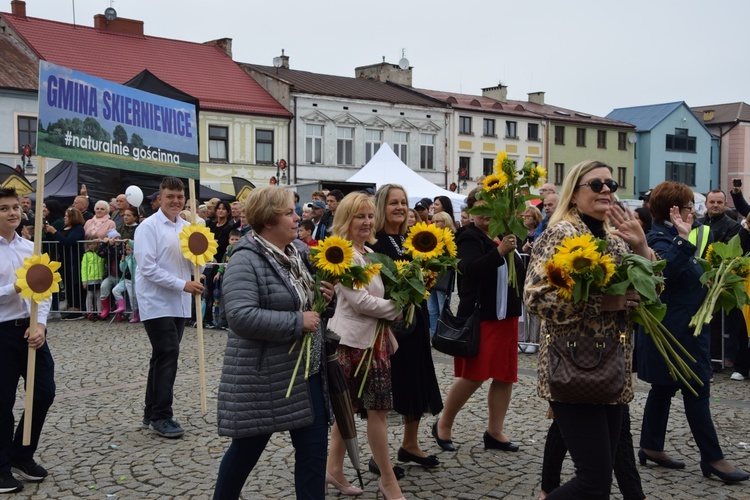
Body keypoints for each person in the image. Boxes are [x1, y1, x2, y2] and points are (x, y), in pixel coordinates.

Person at [524, 160, 654, 499]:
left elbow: (650, 294)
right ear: (575, 192)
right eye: (596, 184)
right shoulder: (562, 233)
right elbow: (536, 298)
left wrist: (641, 248)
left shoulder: (614, 237)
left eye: (610, 183)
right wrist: (601, 303)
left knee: (601, 479)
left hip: (611, 368)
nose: (606, 189)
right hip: (575, 366)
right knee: (594, 481)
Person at [213, 186, 334, 499]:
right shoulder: (245, 259)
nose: (298, 218)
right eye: (289, 213)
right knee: (246, 450)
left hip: (307, 371)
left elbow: (308, 303)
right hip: (265, 376)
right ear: (268, 220)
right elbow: (239, 316)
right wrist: (297, 322)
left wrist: (324, 300)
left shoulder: (297, 253)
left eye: (295, 211)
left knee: (313, 453)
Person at [637, 181, 749, 483]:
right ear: (674, 210)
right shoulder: (660, 238)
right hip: (678, 334)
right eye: (689, 206)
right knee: (698, 390)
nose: (693, 211)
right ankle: (713, 458)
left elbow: (684, 275)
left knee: (662, 389)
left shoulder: (672, 236)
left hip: (682, 328)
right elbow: (663, 273)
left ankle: (650, 446)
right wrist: (684, 241)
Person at [434, 187, 525, 458]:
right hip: (482, 317)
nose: (487, 214)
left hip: (505, 316)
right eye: (481, 209)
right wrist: (499, 252)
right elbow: (469, 269)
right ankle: (443, 424)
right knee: (474, 376)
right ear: (471, 211)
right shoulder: (469, 236)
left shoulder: (500, 233)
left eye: (491, 209)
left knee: (505, 376)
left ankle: (494, 431)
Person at [326, 192, 404, 500]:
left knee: (354, 410)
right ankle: (387, 479)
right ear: (346, 219)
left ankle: (333, 469)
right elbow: (360, 302)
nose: (367, 222)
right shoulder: (342, 253)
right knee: (375, 413)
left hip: (373, 342)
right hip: (353, 344)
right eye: (360, 216)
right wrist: (399, 306)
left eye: (370, 216)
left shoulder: (368, 252)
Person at [369, 185, 443, 475]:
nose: (399, 208)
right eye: (393, 203)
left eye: (403, 203)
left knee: (416, 382)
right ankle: (380, 456)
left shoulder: (410, 239)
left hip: (415, 320)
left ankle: (410, 444)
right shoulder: (376, 243)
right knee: (388, 391)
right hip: (390, 324)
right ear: (381, 207)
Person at [134, 177, 204, 439]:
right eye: (170, 196)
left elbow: (198, 262)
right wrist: (182, 284)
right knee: (168, 354)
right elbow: (148, 267)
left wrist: (200, 268)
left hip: (180, 302)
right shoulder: (148, 227)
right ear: (159, 199)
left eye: (179, 196)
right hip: (157, 300)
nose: (175, 201)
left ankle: (151, 411)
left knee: (161, 356)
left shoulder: (189, 228)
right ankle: (162, 415)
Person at [0, 187, 55, 494]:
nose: (12, 213)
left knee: (44, 391)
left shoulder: (30, 248)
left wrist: (42, 325)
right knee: (3, 403)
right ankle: (1, 466)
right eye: (4, 208)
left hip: (31, 331)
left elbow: (43, 290)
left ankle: (22, 453)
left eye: (15, 208)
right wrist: (15, 288)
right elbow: (21, 289)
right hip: (2, 332)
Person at [700, 189, 742, 369]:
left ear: (725, 204)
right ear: (706, 204)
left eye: (719, 202)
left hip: (720, 279)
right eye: (712, 202)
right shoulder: (698, 223)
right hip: (698, 275)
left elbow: (729, 253)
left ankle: (716, 357)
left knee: (717, 320)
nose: (715, 205)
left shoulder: (733, 226)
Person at [45, 207, 86, 320]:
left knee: (74, 282)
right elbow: (57, 239)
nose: (64, 218)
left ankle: (77, 308)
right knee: (67, 283)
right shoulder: (64, 227)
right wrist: (49, 232)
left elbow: (67, 241)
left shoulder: (78, 229)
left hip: (74, 259)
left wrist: (54, 231)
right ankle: (70, 306)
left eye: (67, 216)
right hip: (63, 259)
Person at [426, 211, 456, 334]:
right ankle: (434, 335)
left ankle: (443, 334)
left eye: (437, 221)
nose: (434, 224)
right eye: (433, 221)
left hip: (444, 276)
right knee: (431, 309)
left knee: (442, 307)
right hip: (431, 274)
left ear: (445, 223)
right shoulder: (430, 236)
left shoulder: (450, 237)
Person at [112, 240, 139, 323]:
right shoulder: (126, 258)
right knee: (115, 290)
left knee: (132, 298)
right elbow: (122, 269)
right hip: (125, 280)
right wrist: (122, 261)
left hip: (133, 281)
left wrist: (129, 241)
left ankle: (135, 315)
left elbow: (136, 246)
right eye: (126, 250)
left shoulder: (134, 257)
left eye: (129, 249)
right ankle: (121, 306)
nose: (127, 251)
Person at [81, 239, 105, 320]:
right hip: (90, 278)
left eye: (94, 244)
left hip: (99, 277)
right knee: (90, 295)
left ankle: (99, 312)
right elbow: (83, 268)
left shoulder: (100, 253)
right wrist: (84, 281)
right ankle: (89, 312)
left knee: (99, 295)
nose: (92, 246)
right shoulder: (86, 255)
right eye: (90, 244)